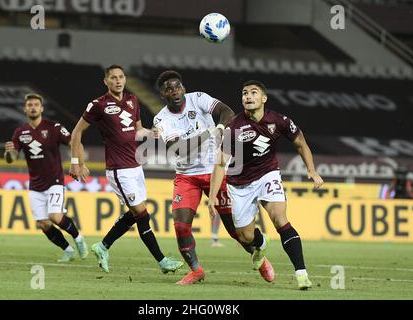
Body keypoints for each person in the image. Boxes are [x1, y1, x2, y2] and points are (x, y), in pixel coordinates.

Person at [153, 70, 274, 285]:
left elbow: (226, 111)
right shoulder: (161, 118)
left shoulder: (198, 98)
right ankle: (196, 270)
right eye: (169, 89)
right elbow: (179, 149)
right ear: (163, 94)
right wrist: (210, 132)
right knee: (181, 226)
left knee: (234, 229)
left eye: (178, 86)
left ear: (184, 88)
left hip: (215, 171)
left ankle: (260, 258)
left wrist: (220, 126)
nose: (175, 91)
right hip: (186, 176)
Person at [208, 80, 324, 290]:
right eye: (244, 93)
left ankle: (301, 274)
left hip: (267, 175)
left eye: (253, 92)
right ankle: (260, 244)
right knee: (245, 236)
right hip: (239, 184)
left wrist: (312, 170)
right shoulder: (233, 127)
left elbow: (300, 142)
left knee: (280, 218)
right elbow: (220, 163)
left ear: (264, 98)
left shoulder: (278, 120)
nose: (248, 96)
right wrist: (212, 196)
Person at [69, 64, 183, 274]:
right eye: (113, 78)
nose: (118, 81)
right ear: (106, 81)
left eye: (121, 77)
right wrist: (77, 162)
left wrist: (152, 133)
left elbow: (138, 131)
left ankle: (102, 247)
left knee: (133, 214)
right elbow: (76, 133)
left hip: (135, 166)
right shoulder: (98, 105)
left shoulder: (133, 100)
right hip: (118, 169)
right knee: (142, 214)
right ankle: (162, 261)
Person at [4, 93, 89, 262]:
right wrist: (8, 152)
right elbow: (11, 158)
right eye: (30, 105)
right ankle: (68, 249)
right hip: (35, 185)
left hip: (54, 181)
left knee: (55, 216)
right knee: (43, 223)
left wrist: (79, 163)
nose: (33, 107)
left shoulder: (54, 127)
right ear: (25, 109)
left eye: (36, 104)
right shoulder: (20, 132)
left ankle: (79, 239)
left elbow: (75, 142)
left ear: (42, 108)